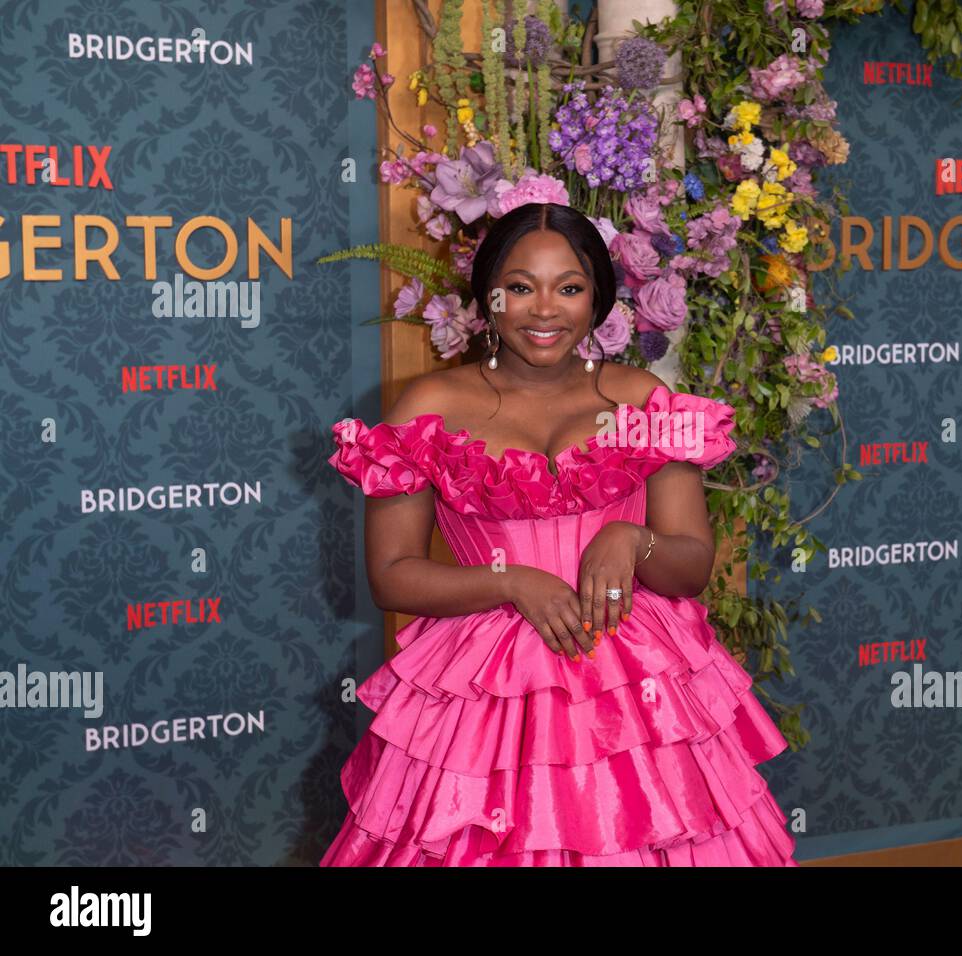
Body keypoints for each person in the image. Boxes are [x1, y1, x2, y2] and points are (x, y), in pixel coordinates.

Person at [320, 202, 797, 866]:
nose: (544, 310)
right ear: (486, 295)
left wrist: (635, 542)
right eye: (520, 287)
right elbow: (392, 575)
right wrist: (510, 581)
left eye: (568, 288)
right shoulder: (428, 407)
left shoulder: (643, 402)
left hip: (638, 695)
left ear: (597, 299)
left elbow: (690, 567)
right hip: (483, 700)